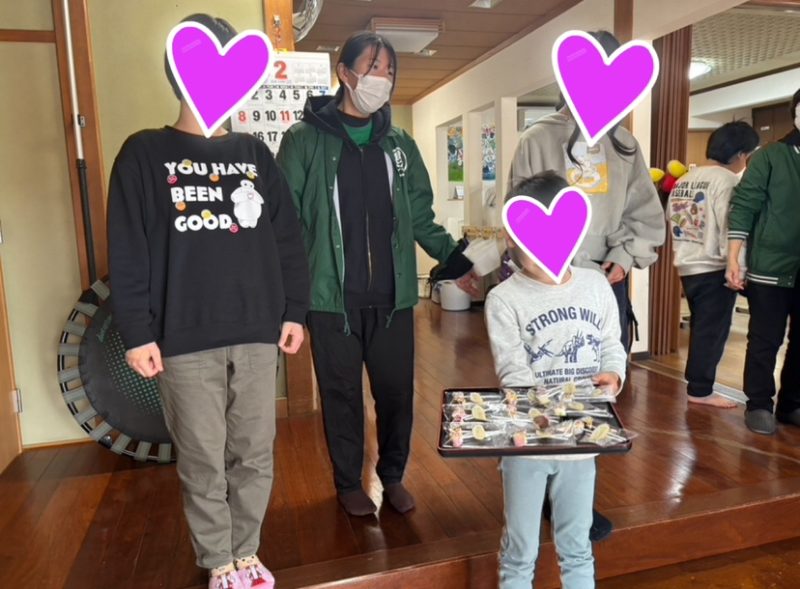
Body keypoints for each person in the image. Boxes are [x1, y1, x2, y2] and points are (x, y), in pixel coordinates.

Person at [107, 14, 310, 589]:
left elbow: (288, 238)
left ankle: (246, 552)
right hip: (183, 337)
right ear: (177, 72)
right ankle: (218, 559)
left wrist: (295, 310)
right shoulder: (143, 153)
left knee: (254, 452)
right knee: (201, 458)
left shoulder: (254, 153)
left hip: (256, 331)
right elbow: (128, 249)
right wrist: (137, 332)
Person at [277, 32, 477, 517]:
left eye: (389, 70)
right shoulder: (304, 140)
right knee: (341, 397)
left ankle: (392, 476)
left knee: (395, 396)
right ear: (345, 73)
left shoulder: (399, 144)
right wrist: (291, 302)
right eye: (372, 67)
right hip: (331, 302)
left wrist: (458, 264)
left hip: (392, 301)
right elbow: (286, 224)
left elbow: (422, 217)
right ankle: (349, 482)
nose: (382, 78)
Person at [508, 30, 664, 540]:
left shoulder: (624, 144)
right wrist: (549, 265)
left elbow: (643, 212)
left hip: (603, 283)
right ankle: (542, 493)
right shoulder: (538, 139)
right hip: (548, 283)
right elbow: (521, 212)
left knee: (596, 390)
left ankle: (576, 501)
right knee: (547, 386)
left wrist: (624, 255)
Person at [486, 171, 626, 589]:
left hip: (582, 441)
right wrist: (540, 413)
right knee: (520, 549)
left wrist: (614, 375)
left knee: (577, 544)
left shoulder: (595, 285)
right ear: (511, 238)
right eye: (527, 240)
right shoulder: (503, 299)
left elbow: (611, 344)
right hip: (527, 445)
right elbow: (512, 369)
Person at [668, 122, 759, 408]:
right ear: (741, 154)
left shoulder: (685, 179)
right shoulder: (727, 181)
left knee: (702, 327)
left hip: (687, 265)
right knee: (711, 332)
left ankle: (698, 386)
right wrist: (738, 269)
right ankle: (700, 390)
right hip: (714, 266)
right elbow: (731, 228)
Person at [727, 89, 800, 436]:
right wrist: (734, 257)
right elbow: (744, 205)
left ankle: (791, 404)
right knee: (765, 339)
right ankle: (758, 404)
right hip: (771, 266)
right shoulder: (771, 156)